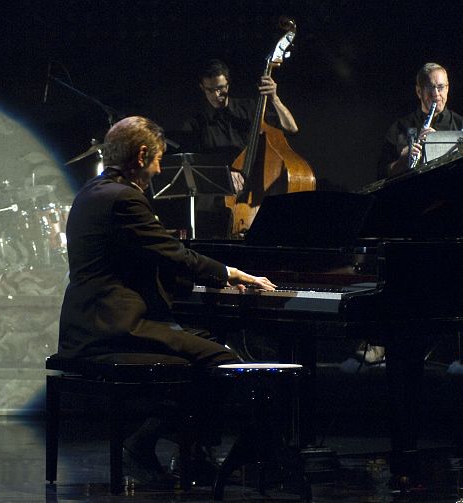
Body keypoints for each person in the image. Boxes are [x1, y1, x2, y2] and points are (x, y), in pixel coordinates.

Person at [57, 116, 276, 485]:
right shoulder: (125, 198)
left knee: (202, 344)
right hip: (113, 325)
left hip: (92, 320)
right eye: (158, 159)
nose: (159, 168)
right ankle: (148, 443)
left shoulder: (94, 190)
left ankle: (188, 452)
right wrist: (230, 273)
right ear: (141, 154)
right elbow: (172, 254)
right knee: (220, 359)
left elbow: (140, 258)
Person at [179, 59, 299, 238]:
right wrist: (224, 173)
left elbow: (291, 129)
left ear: (228, 83)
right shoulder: (196, 122)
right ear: (202, 88)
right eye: (210, 90)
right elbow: (192, 162)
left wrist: (275, 98)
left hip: (251, 197)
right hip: (212, 206)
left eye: (221, 88)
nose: (216, 94)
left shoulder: (250, 108)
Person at [377, 62, 463, 179]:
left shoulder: (462, 125)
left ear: (447, 89)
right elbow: (381, 175)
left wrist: (440, 145)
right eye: (429, 87)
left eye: (441, 87)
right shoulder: (400, 127)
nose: (436, 94)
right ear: (419, 91)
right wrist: (402, 162)